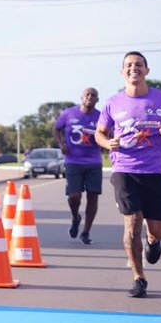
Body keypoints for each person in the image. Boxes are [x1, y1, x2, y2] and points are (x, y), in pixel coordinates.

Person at [94, 52, 161, 298]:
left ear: (147, 70)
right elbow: (99, 133)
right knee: (132, 223)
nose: (134, 68)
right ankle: (139, 278)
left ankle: (153, 242)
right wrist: (107, 143)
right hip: (125, 169)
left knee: (157, 229)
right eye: (129, 65)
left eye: (138, 65)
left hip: (156, 171)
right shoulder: (112, 102)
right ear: (122, 71)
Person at [54, 87, 102, 245]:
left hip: (94, 161)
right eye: (87, 95)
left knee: (93, 196)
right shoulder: (69, 113)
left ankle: (86, 232)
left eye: (93, 95)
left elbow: (108, 133)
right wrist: (61, 144)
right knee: (74, 196)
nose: (90, 97)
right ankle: (75, 217)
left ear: (97, 99)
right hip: (73, 161)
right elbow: (56, 128)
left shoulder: (100, 116)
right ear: (82, 98)